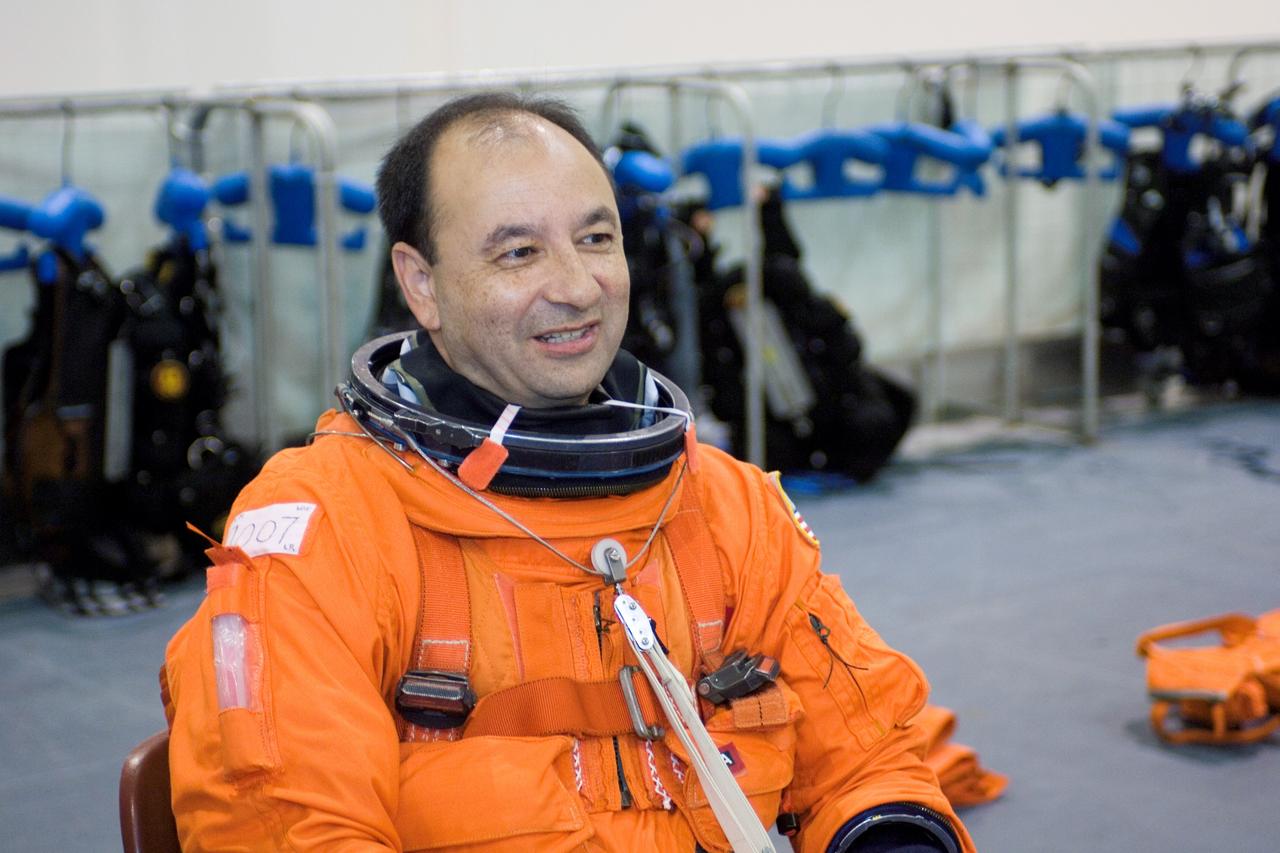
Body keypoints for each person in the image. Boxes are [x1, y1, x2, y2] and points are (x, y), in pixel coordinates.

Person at [161, 91, 975, 853]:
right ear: (422, 283)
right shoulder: (325, 528)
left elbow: (871, 752)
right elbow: (282, 817)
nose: (578, 286)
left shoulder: (725, 506)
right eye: (519, 252)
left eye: (596, 239)